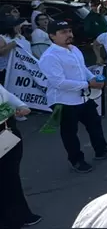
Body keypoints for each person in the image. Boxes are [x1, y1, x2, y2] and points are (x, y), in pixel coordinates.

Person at [39, 20, 107, 173]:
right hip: (63, 101)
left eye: (69, 31)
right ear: (52, 36)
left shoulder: (74, 49)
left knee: (94, 123)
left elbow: (82, 69)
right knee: (70, 133)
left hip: (82, 97)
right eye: (63, 32)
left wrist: (95, 79)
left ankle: (101, 150)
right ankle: (76, 160)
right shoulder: (49, 57)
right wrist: (88, 84)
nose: (69, 34)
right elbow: (59, 83)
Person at [0, 84, 41, 228]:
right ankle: (9, 219)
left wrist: (21, 105)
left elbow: (6, 94)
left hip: (8, 131)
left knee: (11, 176)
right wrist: (10, 110)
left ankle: (21, 214)